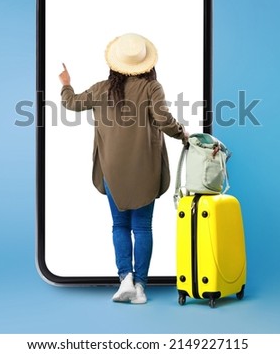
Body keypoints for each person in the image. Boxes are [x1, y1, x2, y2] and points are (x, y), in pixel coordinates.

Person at [59, 33, 188, 304]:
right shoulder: (152, 88)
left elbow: (70, 103)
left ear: (114, 64)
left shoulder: (99, 88)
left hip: (111, 168)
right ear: (147, 64)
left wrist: (66, 84)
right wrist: (182, 134)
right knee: (142, 226)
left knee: (119, 224)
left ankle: (125, 279)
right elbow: (164, 120)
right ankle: (140, 286)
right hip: (145, 166)